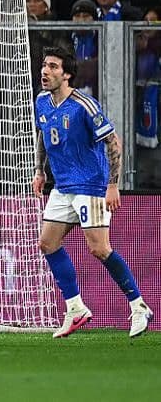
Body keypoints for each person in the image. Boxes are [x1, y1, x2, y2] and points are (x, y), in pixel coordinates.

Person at [32, 46, 154, 338]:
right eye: (44, 66)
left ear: (67, 74)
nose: (45, 71)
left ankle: (139, 306)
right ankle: (75, 307)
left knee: (99, 248)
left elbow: (114, 143)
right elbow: (43, 133)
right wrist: (40, 170)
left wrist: (112, 185)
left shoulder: (84, 105)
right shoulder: (42, 102)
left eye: (52, 66)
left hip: (90, 185)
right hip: (63, 187)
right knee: (47, 243)